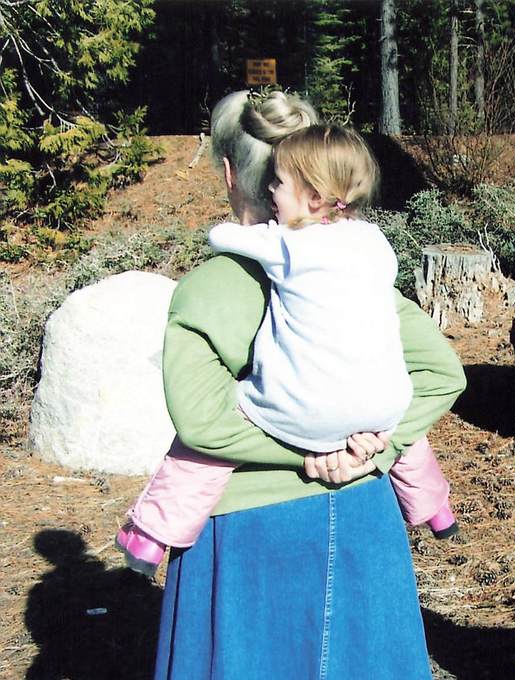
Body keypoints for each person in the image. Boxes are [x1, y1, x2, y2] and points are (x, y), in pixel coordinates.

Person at [144, 90, 465, 679]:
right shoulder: (360, 277)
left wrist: (302, 450)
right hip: (364, 514)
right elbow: (441, 375)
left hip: (248, 534)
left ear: (229, 174)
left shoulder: (209, 289)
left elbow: (200, 420)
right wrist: (370, 448)